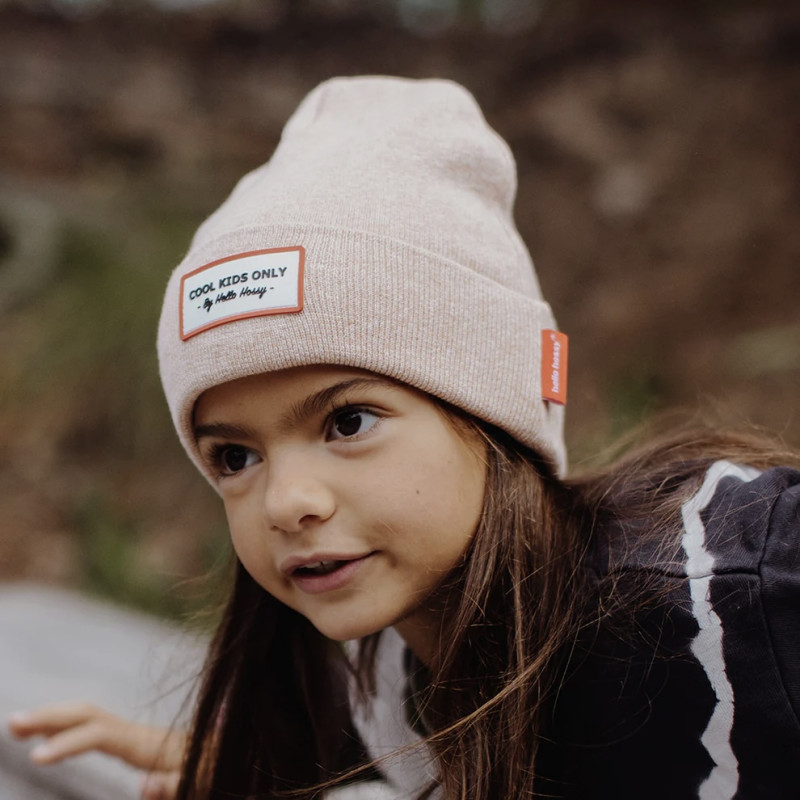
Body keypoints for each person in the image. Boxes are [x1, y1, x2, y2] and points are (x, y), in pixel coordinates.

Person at [8, 76, 800, 800]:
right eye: (235, 457)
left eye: (347, 422)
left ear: (492, 412)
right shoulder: (389, 661)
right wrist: (242, 761)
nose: (286, 502)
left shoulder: (728, 588)